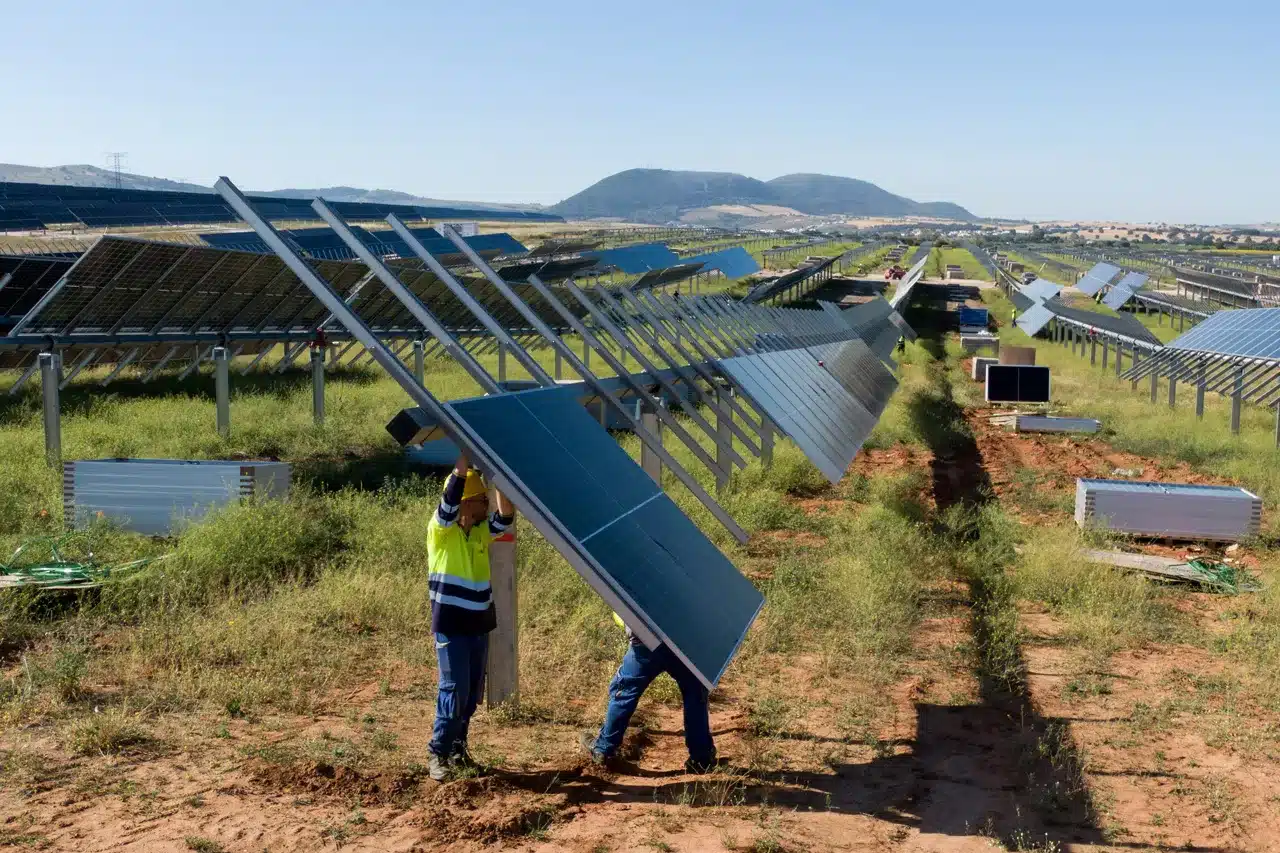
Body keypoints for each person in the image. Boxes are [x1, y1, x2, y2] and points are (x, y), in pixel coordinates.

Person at [427, 453, 514, 782]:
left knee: (471, 693)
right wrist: (463, 458)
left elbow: (506, 515)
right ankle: (438, 752)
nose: (485, 505)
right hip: (451, 625)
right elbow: (449, 500)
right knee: (454, 689)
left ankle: (458, 749)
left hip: (478, 624)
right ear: (465, 504)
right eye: (479, 500)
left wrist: (499, 478)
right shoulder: (441, 531)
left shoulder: (479, 531)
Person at [579, 615, 717, 774]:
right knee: (694, 693)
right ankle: (701, 758)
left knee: (625, 692)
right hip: (684, 639)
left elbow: (622, 610)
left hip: (646, 641)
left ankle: (603, 750)